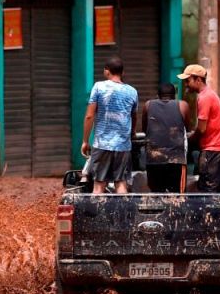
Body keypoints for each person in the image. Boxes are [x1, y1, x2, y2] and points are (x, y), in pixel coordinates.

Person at [81, 57, 139, 194]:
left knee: (99, 184)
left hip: (102, 144)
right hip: (123, 146)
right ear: (122, 72)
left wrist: (85, 141)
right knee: (121, 183)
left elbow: (89, 116)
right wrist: (132, 134)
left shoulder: (98, 87)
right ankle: (122, 215)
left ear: (107, 71)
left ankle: (98, 215)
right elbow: (134, 116)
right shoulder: (132, 91)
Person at [177, 63, 220, 192]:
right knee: (218, 192)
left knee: (207, 193)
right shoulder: (208, 95)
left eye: (187, 80)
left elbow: (201, 129)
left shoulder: (205, 98)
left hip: (213, 150)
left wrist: (190, 140)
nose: (186, 84)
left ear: (198, 80)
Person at [143, 82, 191, 193]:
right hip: (176, 160)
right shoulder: (183, 105)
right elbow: (187, 129)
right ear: (174, 95)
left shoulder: (148, 105)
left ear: (157, 95)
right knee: (178, 197)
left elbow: (146, 129)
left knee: (156, 196)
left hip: (154, 160)